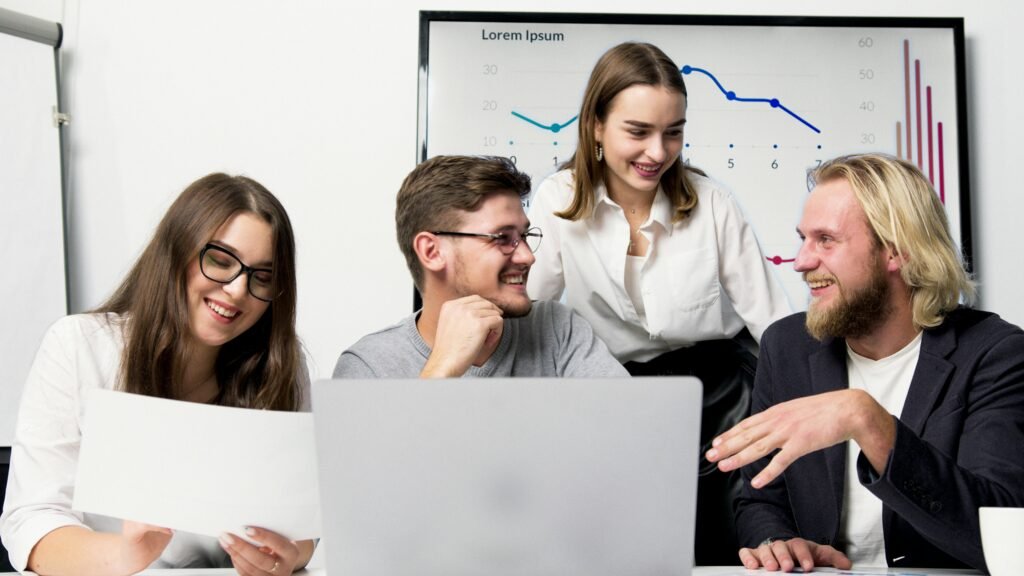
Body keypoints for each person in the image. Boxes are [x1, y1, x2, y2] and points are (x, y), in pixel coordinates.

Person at [526, 41, 791, 564]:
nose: (658, 152)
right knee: (617, 556)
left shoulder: (713, 202)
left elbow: (775, 323)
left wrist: (821, 407)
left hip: (718, 401)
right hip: (607, 400)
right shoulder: (557, 199)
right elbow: (528, 312)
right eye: (638, 131)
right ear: (596, 125)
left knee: (726, 553)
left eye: (674, 132)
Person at [706, 153, 1024, 572]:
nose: (801, 262)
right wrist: (779, 544)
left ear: (897, 251)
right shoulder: (787, 346)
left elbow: (1000, 533)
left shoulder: (996, 354)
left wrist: (867, 420)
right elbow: (760, 499)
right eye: (803, 238)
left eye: (826, 240)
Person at [0, 174, 315, 576]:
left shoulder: (281, 365)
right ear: (175, 253)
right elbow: (31, 522)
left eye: (263, 277)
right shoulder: (79, 346)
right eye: (220, 260)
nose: (238, 290)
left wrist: (289, 556)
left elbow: (302, 525)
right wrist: (126, 557)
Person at [334, 155, 627, 380]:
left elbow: (633, 435)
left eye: (524, 236)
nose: (527, 256)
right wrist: (442, 369)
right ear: (432, 251)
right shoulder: (369, 366)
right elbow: (379, 461)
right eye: (502, 238)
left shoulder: (557, 328)